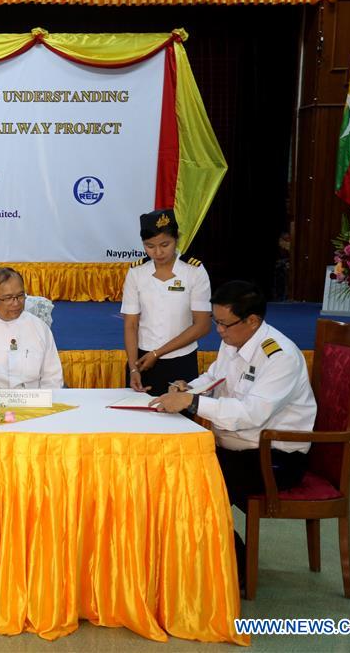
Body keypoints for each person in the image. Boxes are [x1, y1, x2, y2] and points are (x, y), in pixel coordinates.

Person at [150, 281, 315, 584]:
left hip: (273, 458)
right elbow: (214, 377)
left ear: (252, 321)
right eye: (216, 322)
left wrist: (193, 402)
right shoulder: (233, 341)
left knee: (195, 485)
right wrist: (189, 388)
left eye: (225, 324)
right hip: (235, 448)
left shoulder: (280, 357)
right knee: (172, 472)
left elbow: (252, 413)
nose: (219, 331)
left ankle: (235, 569)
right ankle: (196, 561)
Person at [121, 208, 211, 396]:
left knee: (181, 413)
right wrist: (133, 369)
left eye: (165, 244)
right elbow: (131, 324)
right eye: (149, 246)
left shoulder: (194, 271)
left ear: (176, 238)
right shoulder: (137, 272)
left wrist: (158, 353)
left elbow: (202, 326)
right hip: (142, 360)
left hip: (181, 360)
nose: (158, 252)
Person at [0, 267, 63, 389]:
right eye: (8, 298)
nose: (16, 303)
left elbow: (53, 378)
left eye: (20, 296)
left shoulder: (40, 328)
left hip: (31, 398)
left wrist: (46, 399)